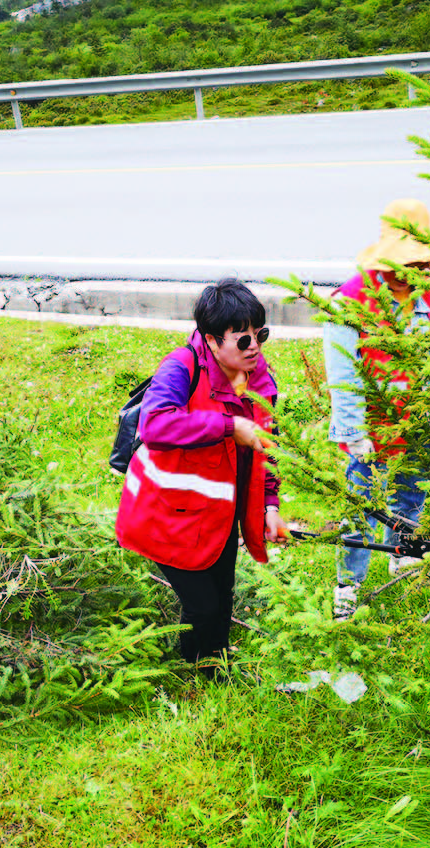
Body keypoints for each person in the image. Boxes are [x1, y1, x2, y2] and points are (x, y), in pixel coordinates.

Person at [116, 279, 290, 671]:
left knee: (222, 596)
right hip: (166, 513)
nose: (255, 347)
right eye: (242, 340)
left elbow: (268, 452)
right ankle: (197, 669)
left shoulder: (259, 380)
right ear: (211, 341)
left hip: (219, 514)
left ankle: (214, 667)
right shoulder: (181, 367)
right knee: (203, 604)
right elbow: (155, 426)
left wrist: (270, 507)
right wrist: (229, 427)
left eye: (260, 335)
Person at [324, 198, 430, 619]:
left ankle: (403, 550)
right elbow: (344, 373)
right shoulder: (351, 300)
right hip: (372, 432)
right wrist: (354, 432)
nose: (409, 273)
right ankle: (348, 584)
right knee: (362, 504)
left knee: (412, 490)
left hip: (419, 423)